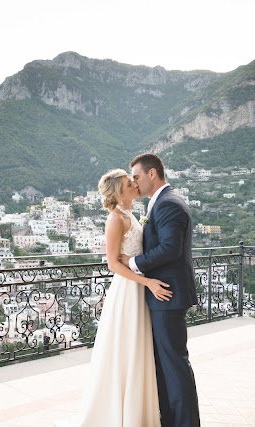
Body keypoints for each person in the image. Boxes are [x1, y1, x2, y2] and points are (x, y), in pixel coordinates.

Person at [62, 169, 172, 426]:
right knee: (126, 348)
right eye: (128, 182)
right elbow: (113, 263)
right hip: (128, 291)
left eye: (133, 180)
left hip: (139, 287)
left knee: (138, 347)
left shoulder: (131, 215)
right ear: (119, 192)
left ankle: (138, 413)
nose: (135, 184)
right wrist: (147, 281)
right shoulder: (115, 219)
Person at [120, 153, 200, 427]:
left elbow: (170, 248)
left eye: (137, 177)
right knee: (165, 365)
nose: (135, 182)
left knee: (174, 366)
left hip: (168, 294)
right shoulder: (164, 202)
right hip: (164, 294)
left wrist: (131, 262)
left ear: (152, 174)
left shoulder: (168, 204)